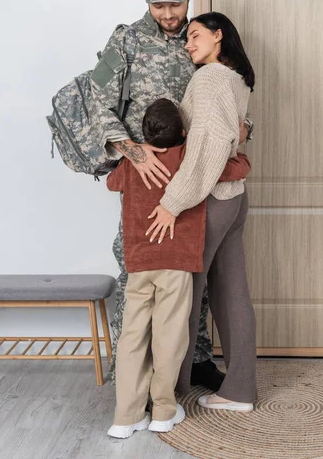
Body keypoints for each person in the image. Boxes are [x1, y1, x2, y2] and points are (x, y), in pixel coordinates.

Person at [90, 0, 253, 387]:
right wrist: (132, 151)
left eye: (174, 3)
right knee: (138, 267)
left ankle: (192, 361)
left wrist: (246, 129)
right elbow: (98, 103)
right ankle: (133, 374)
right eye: (158, 4)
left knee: (189, 265)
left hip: (196, 176)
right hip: (144, 178)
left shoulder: (199, 38)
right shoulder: (126, 40)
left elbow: (228, 99)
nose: (167, 13)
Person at [106, 98, 251, 438]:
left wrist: (134, 154)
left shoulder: (133, 162)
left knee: (132, 336)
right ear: (184, 132)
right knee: (169, 336)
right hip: (175, 262)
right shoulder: (188, 157)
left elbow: (112, 183)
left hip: (140, 262)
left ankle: (125, 418)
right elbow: (232, 169)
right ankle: (163, 411)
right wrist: (241, 155)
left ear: (145, 135)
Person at [146, 12, 257, 412]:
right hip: (234, 196)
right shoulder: (236, 78)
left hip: (210, 199)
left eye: (195, 35)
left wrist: (170, 203)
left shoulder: (210, 79)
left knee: (182, 294)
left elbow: (206, 150)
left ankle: (166, 393)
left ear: (218, 35)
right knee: (232, 293)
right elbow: (235, 134)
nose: (188, 43)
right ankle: (240, 390)